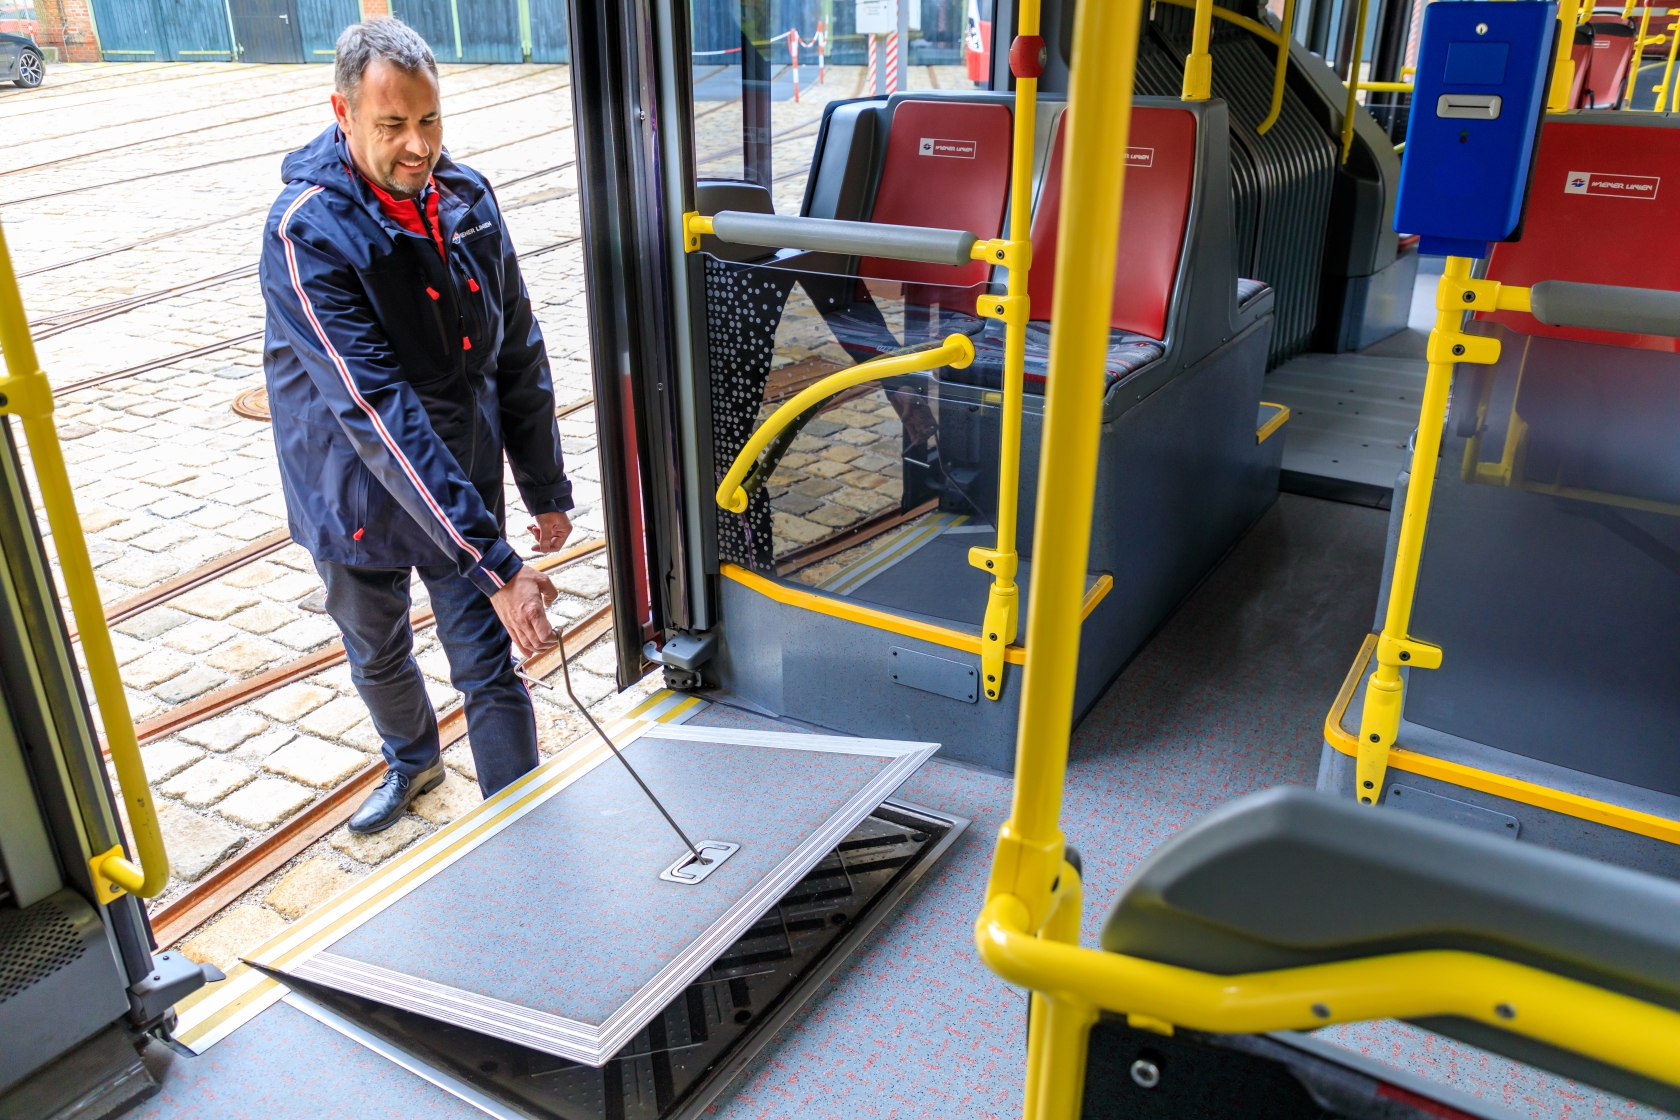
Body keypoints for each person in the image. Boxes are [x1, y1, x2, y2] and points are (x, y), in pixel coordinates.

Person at [260, 17, 572, 833]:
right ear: (343, 113)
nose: (417, 146)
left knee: (489, 665)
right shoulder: (305, 231)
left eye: (429, 121)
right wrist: (493, 561)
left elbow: (518, 346)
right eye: (392, 126)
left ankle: (523, 828)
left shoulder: (467, 198)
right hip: (355, 491)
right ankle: (414, 763)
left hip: (455, 479)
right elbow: (375, 409)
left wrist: (541, 483)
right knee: (379, 652)